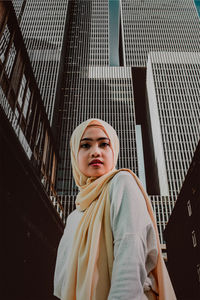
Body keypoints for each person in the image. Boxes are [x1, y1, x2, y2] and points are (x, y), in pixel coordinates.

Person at [54, 118, 176, 300]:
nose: (95, 152)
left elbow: (130, 254)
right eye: (85, 145)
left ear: (114, 151)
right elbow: (62, 282)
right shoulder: (74, 216)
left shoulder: (122, 183)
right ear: (74, 154)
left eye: (104, 144)